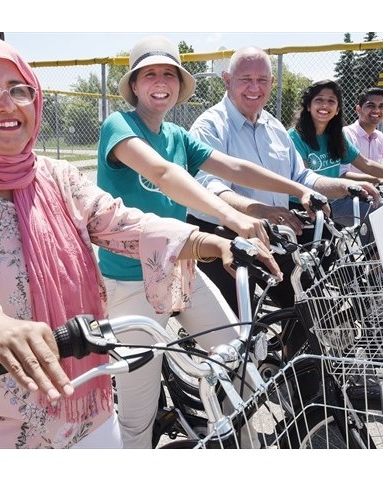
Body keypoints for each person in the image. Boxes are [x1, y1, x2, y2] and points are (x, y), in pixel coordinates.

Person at [0, 37, 272, 448]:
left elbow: (118, 222)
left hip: (83, 399)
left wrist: (208, 242)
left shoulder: (55, 176)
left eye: (20, 90)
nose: (8, 104)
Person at [96, 35, 313, 448]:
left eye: (168, 74)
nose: (160, 81)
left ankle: (240, 446)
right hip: (131, 282)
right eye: (150, 74)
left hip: (181, 268)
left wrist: (298, 190)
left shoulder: (178, 135)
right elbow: (162, 174)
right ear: (135, 85)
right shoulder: (118, 126)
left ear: (179, 83)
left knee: (240, 364)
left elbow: (234, 165)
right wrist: (232, 217)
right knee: (138, 416)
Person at [187, 46, 380, 313]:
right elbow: (211, 187)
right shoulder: (209, 127)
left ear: (272, 83)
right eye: (245, 79)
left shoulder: (274, 127)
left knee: (311, 312)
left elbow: (301, 177)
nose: (254, 87)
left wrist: (345, 187)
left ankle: (291, 351)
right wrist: (261, 210)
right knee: (238, 330)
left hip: (273, 233)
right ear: (227, 79)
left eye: (262, 80)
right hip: (223, 237)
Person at [288, 80, 383, 224]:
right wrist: (350, 185)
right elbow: (307, 179)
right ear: (308, 106)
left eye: (331, 101)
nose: (325, 105)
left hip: (330, 204)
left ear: (337, 109)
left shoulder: (335, 136)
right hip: (302, 207)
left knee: (381, 217)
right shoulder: (294, 137)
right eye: (319, 100)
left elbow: (366, 164)